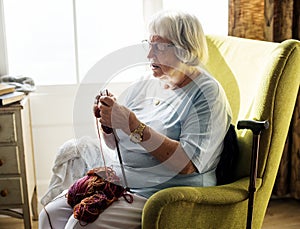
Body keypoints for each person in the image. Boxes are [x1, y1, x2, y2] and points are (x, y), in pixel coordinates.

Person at [39, 10, 232, 229]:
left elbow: (187, 164)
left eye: (158, 47)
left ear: (184, 50)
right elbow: (114, 145)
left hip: (167, 191)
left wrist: (132, 125)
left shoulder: (206, 94)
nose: (149, 55)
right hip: (125, 181)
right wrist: (108, 123)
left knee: (80, 224)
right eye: (148, 45)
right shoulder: (145, 83)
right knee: (49, 214)